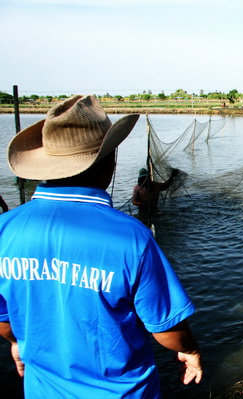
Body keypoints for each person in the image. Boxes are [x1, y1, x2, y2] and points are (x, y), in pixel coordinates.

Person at [0, 95, 203, 398]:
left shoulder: (6, 228)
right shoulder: (131, 237)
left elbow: (4, 321)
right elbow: (165, 328)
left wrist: (17, 343)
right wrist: (190, 350)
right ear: (109, 161)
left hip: (42, 389)